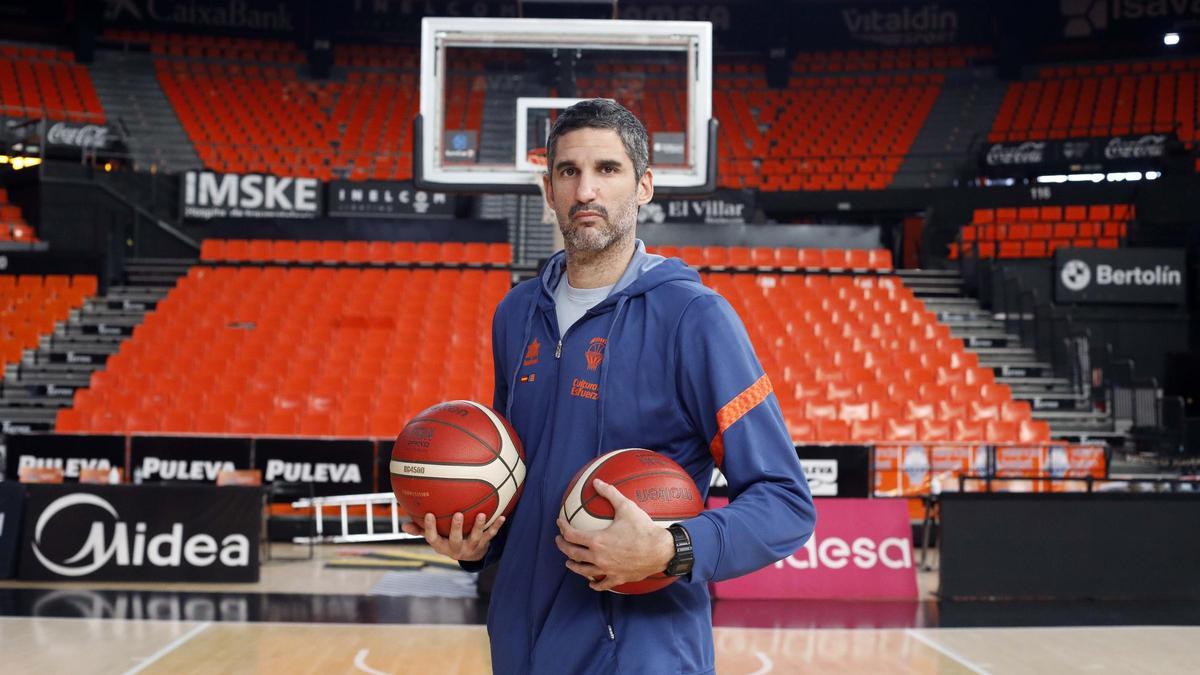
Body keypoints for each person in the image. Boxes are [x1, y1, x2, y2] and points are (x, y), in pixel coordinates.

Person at [402, 99, 815, 674]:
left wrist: (672, 548)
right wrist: (479, 542)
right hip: (521, 643)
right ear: (548, 189)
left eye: (608, 170)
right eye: (569, 172)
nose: (586, 191)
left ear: (644, 186)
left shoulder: (694, 317)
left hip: (641, 651)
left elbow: (786, 501)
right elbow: (519, 477)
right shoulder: (516, 313)